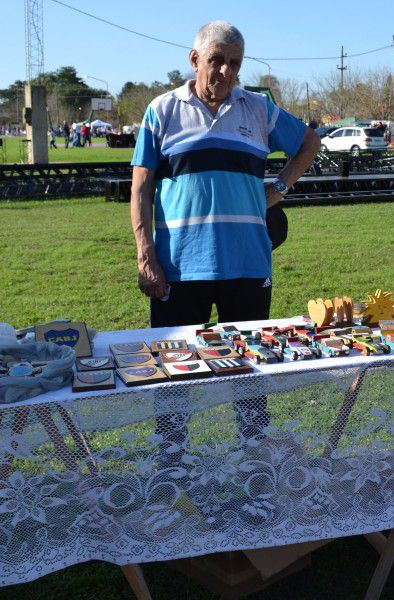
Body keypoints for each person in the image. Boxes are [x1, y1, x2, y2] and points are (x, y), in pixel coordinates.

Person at [131, 21, 319, 441]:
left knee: (249, 378)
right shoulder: (161, 110)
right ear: (194, 60)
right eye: (216, 60)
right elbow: (140, 188)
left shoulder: (258, 108)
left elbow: (309, 143)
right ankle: (171, 468)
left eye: (234, 63)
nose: (225, 72)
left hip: (248, 265)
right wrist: (146, 257)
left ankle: (254, 467)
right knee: (172, 381)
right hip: (180, 269)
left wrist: (281, 186)